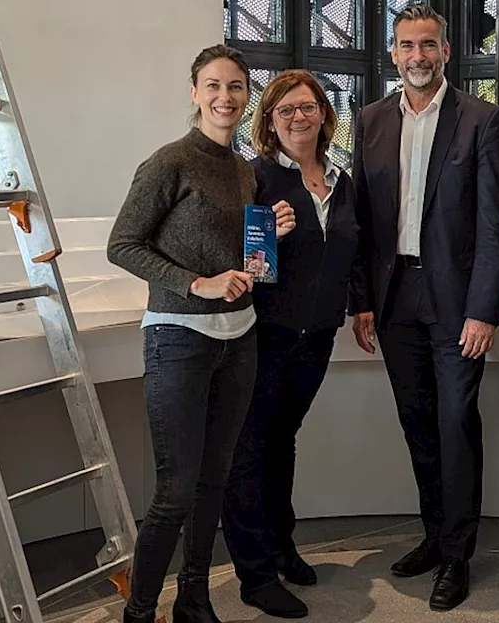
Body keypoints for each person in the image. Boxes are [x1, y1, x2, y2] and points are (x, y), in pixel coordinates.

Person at [106, 45, 297, 623]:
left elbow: (230, 255)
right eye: (213, 85)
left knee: (215, 479)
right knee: (175, 492)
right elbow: (122, 245)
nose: (225, 97)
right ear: (194, 93)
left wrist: (270, 239)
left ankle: (194, 596)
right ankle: (139, 612)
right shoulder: (168, 163)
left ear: (247, 96)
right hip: (179, 339)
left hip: (239, 338)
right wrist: (196, 285)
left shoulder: (243, 170)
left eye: (236, 86)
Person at [347, 3, 499, 612]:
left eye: (428, 45)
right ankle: (433, 535)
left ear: (446, 51)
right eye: (406, 45)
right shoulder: (367, 120)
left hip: (457, 305)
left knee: (454, 425)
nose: (417, 55)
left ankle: (458, 556)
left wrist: (484, 311)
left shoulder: (483, 121)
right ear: (393, 53)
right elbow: (363, 223)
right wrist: (362, 303)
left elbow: (495, 227)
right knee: (418, 425)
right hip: (395, 302)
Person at [220, 69, 360, 620]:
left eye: (308, 107)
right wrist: (265, 240)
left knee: (284, 439)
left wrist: (362, 306)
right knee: (250, 446)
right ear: (270, 122)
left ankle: (282, 545)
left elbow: (353, 251)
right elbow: (240, 260)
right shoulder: (255, 179)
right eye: (286, 110)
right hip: (265, 332)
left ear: (325, 114)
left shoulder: (342, 181)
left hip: (317, 335)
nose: (299, 117)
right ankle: (255, 572)